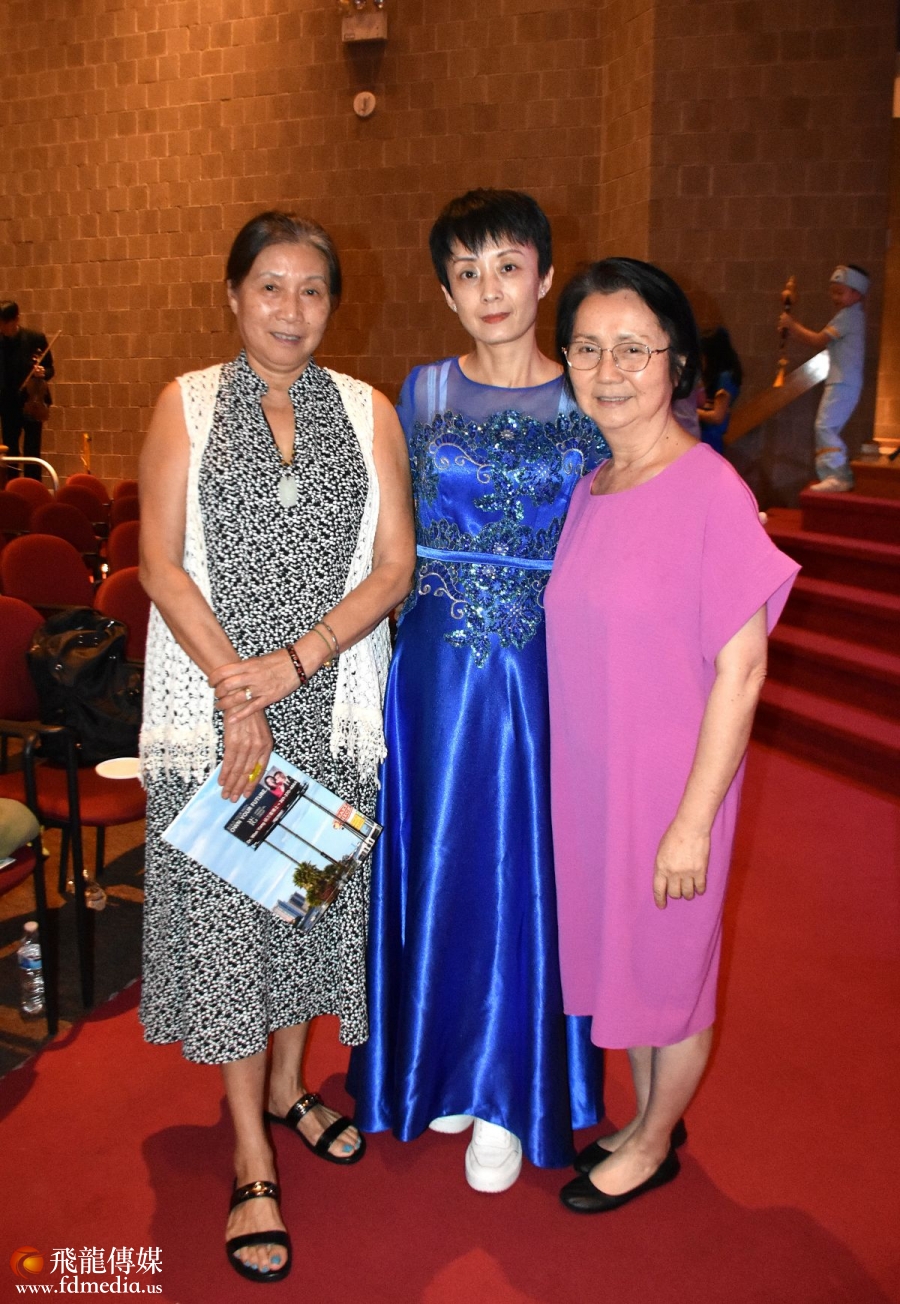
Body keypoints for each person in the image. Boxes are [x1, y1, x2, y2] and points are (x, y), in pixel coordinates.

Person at [138, 210, 414, 1281]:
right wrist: (238, 692)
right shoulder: (187, 405)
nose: (291, 310)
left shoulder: (369, 410)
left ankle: (292, 1087)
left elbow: (392, 568)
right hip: (221, 712)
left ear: (332, 303)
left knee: (303, 913)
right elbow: (161, 563)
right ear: (233, 294)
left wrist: (295, 665)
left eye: (311, 290)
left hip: (328, 698)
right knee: (232, 927)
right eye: (270, 286)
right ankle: (251, 1154)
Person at [349, 190, 607, 1193]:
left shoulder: (590, 397)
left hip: (544, 675)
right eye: (467, 271)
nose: (489, 288)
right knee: (437, 857)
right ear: (446, 292)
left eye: (508, 265)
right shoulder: (418, 393)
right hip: (433, 673)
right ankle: (437, 1060)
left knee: (521, 867)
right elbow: (384, 541)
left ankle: (506, 1086)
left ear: (545, 275)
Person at [546, 257, 799, 1214]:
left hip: (671, 787)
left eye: (633, 349)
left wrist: (693, 822)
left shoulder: (710, 491)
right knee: (634, 959)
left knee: (672, 971)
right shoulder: (592, 488)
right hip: (598, 784)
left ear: (677, 362)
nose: (608, 370)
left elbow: (743, 669)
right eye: (587, 348)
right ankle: (651, 1111)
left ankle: (653, 1143)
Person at [778, 264, 869, 492]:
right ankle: (835, 474)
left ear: (856, 294)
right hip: (842, 380)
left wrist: (792, 325)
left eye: (840, 292)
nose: (835, 298)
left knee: (825, 426)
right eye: (833, 292)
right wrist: (793, 329)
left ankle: (837, 475)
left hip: (843, 381)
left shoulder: (849, 316)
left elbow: (818, 341)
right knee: (826, 426)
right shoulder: (850, 315)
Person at [0, 300, 54, 480]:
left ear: (16, 319)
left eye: (5, 323)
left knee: (32, 451)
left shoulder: (35, 338)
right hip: (7, 403)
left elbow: (50, 369)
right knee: (10, 451)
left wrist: (42, 372)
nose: (2, 328)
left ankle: (33, 488)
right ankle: (12, 488)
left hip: (32, 402)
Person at [698, 325, 743, 455]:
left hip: (710, 437)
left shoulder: (725, 378)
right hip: (706, 436)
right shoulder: (720, 376)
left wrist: (690, 411)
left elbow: (717, 416)